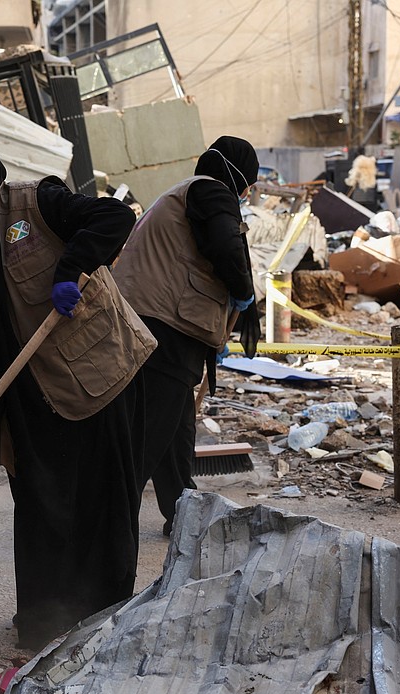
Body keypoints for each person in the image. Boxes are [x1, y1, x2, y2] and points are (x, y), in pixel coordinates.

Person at [0, 137, 156, 650]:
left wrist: (71, 270)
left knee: (103, 497)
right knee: (42, 503)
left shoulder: (35, 204)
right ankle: (44, 620)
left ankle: (105, 615)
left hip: (97, 376)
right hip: (28, 401)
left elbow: (114, 218)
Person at [113, 136, 263, 537]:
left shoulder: (186, 193)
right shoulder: (212, 191)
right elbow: (225, 244)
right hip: (165, 325)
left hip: (154, 320)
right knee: (150, 431)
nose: (247, 194)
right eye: (248, 185)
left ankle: (181, 512)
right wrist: (242, 288)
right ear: (240, 178)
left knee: (175, 426)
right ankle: (109, 522)